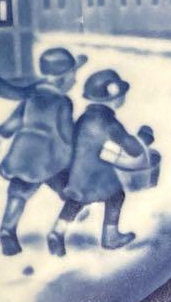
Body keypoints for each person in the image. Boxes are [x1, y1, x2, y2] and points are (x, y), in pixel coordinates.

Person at [48, 68, 153, 256]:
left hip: (77, 173)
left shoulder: (84, 118)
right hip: (97, 174)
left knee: (76, 201)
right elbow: (132, 148)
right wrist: (142, 140)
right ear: (112, 97)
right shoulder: (108, 122)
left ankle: (57, 231)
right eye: (120, 94)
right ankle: (110, 237)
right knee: (116, 196)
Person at [0, 47, 87, 256]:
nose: (75, 80)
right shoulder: (63, 102)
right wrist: (76, 157)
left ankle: (7, 230)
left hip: (24, 156)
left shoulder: (31, 97)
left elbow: (13, 122)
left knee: (18, 192)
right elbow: (66, 134)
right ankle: (58, 232)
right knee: (76, 192)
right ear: (63, 78)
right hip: (52, 159)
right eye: (74, 74)